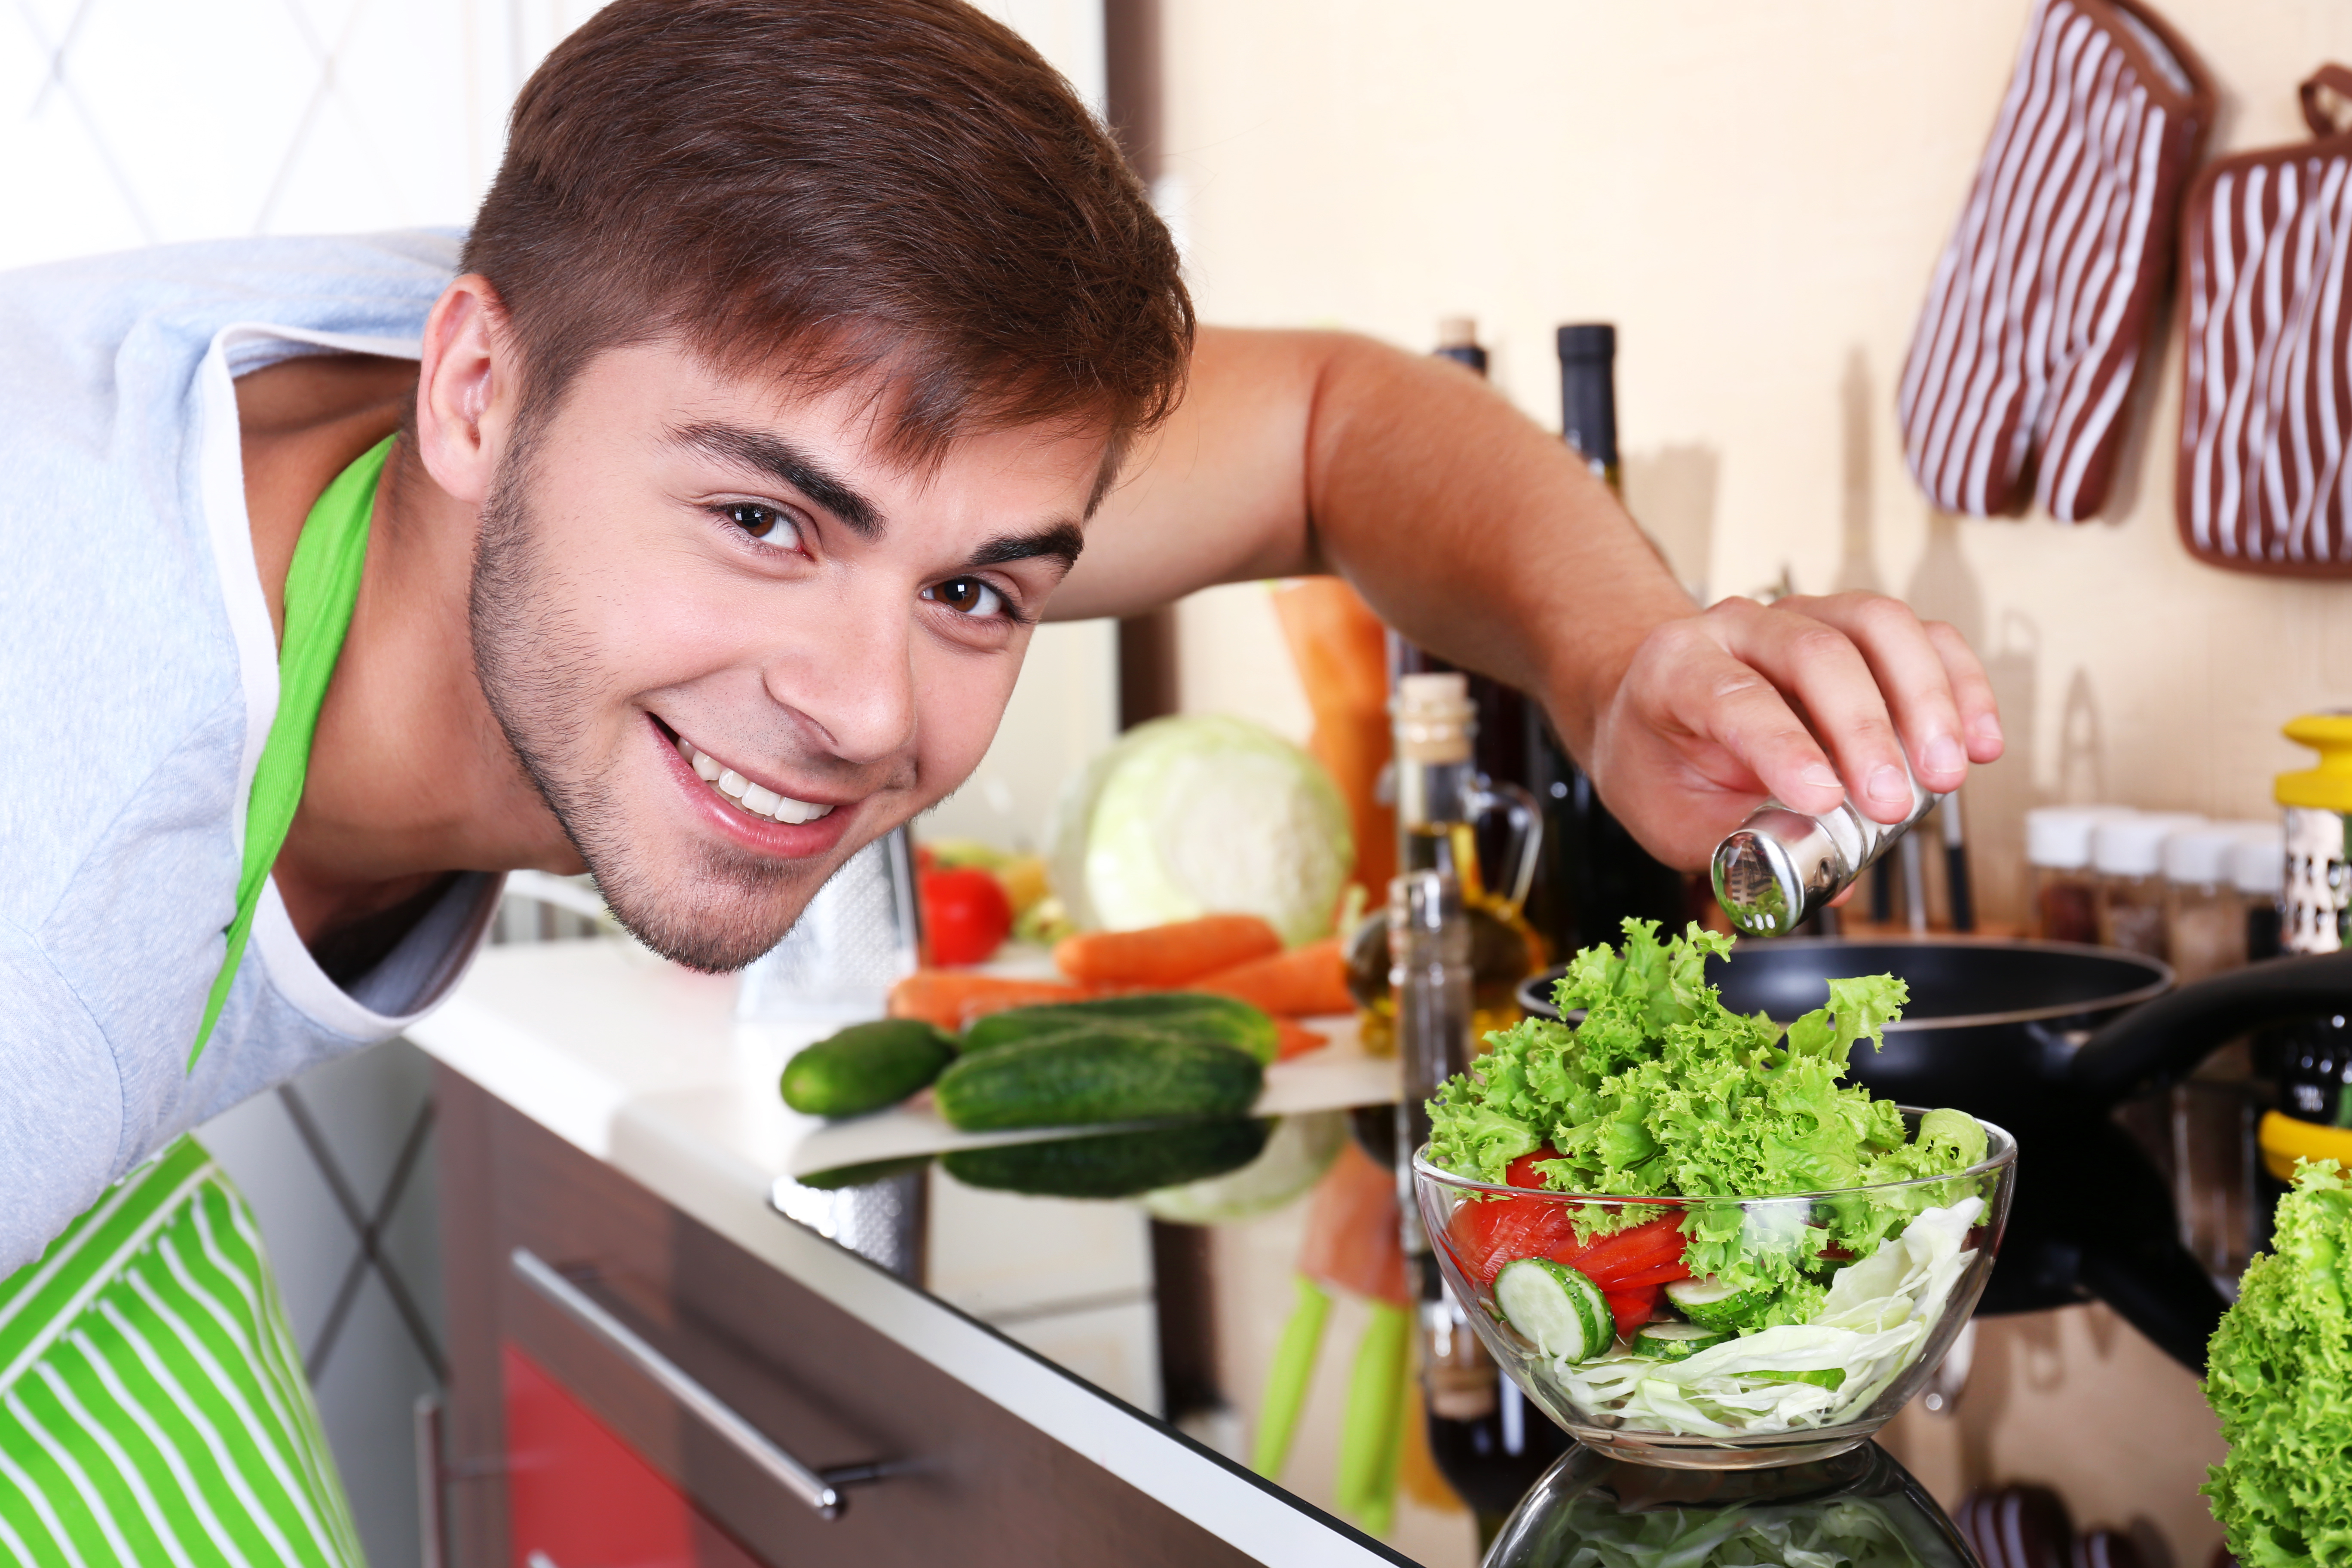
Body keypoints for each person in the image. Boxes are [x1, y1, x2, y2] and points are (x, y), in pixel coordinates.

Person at [0, 0, 2002, 1560]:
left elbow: (1331, 419)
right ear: (472, 388)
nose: (871, 707)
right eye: (766, 526)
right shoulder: (55, 875)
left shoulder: (642, 344)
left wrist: (1621, 655)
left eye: (975, 587)